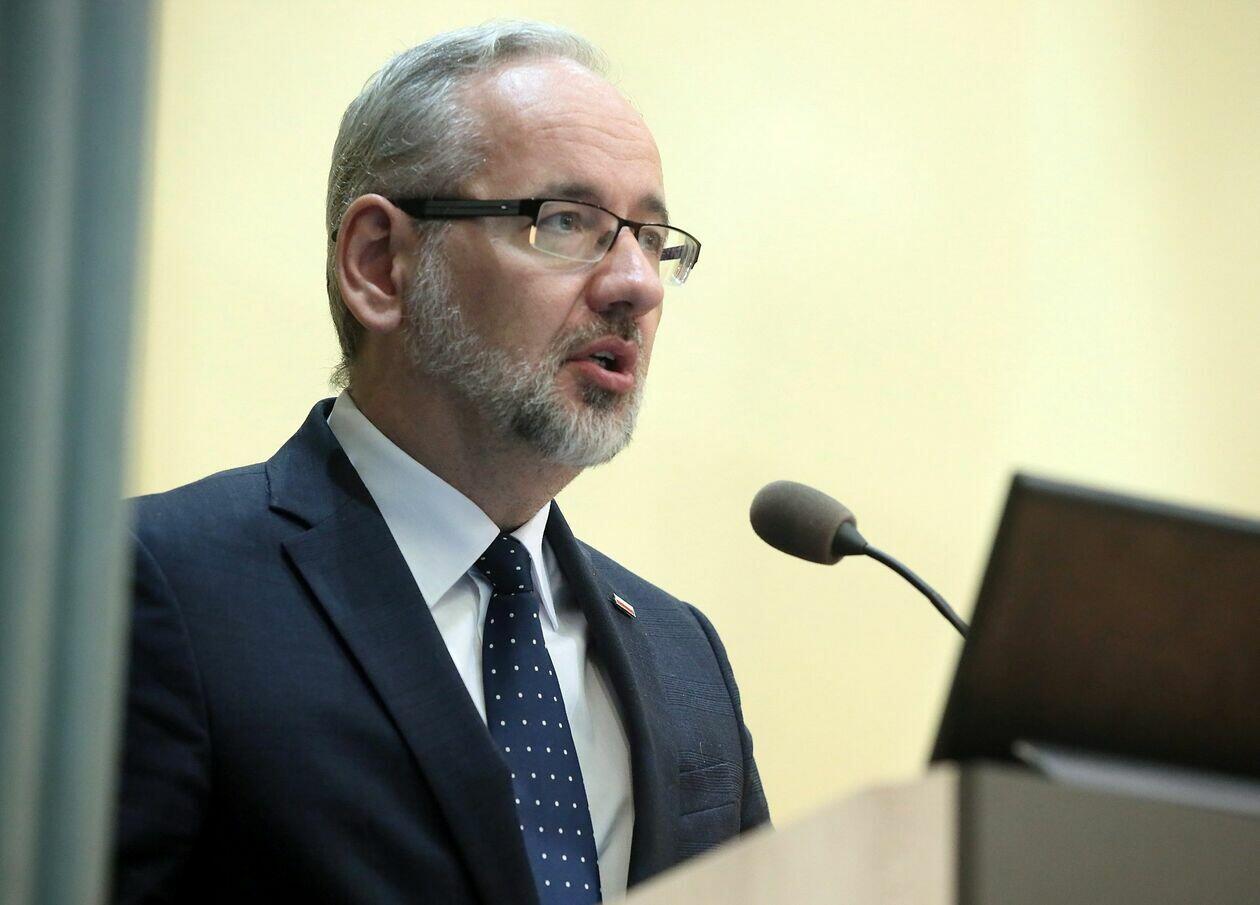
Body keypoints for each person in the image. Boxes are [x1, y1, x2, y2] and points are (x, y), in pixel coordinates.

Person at [113, 21, 768, 904]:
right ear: (380, 264)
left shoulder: (684, 653)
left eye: (651, 239)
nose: (637, 284)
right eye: (565, 221)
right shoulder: (159, 584)